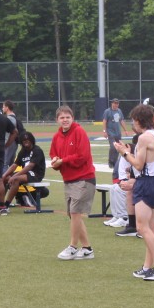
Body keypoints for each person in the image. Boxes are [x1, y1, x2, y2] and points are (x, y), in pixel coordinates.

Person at [113, 104, 154, 279]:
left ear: (138, 120)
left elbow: (138, 165)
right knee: (151, 227)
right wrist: (129, 152)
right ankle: (147, 266)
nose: (132, 124)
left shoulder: (144, 138)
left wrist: (123, 153)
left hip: (146, 183)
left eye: (133, 120)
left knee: (142, 227)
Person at [49, 105, 96, 260]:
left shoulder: (79, 132)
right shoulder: (56, 137)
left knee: (75, 212)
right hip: (68, 180)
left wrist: (63, 161)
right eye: (62, 117)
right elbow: (53, 155)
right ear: (57, 120)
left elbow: (82, 156)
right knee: (73, 214)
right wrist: (56, 161)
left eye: (67, 117)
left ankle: (73, 246)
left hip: (84, 178)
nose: (65, 120)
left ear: (73, 118)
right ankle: (87, 249)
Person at [2, 131, 46, 208]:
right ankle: (0, 203)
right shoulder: (23, 151)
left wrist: (14, 176)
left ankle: (6, 205)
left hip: (36, 174)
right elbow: (14, 165)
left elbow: (30, 167)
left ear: (32, 140)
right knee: (5, 178)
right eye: (24, 141)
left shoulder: (37, 150)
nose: (26, 142)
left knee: (16, 179)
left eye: (28, 140)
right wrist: (4, 175)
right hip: (25, 174)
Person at [102, 98, 126, 170]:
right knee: (113, 147)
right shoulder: (107, 111)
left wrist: (125, 130)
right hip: (110, 132)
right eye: (115, 103)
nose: (116, 105)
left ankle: (115, 162)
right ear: (112, 103)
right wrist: (104, 131)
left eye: (117, 103)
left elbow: (121, 121)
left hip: (118, 132)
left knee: (118, 148)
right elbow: (104, 121)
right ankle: (110, 161)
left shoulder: (119, 111)